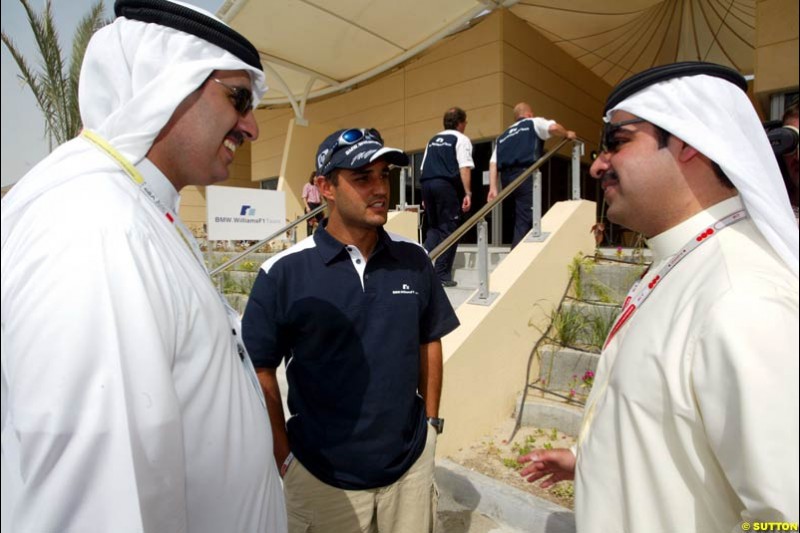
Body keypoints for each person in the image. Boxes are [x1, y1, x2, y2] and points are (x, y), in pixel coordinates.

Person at [0, 1, 287, 532]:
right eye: (238, 98)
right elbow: (102, 506)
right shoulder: (98, 226)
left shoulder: (142, 210)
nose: (252, 128)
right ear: (165, 82)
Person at [518, 62, 799, 532]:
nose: (597, 164)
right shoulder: (683, 261)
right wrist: (594, 461)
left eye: (617, 142)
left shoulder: (743, 298)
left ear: (689, 141)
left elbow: (784, 519)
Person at [242, 127, 460, 532]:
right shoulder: (283, 273)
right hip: (323, 483)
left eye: (384, 176)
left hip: (408, 473)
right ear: (325, 187)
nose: (380, 189)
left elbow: (429, 338)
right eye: (362, 178)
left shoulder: (414, 259)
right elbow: (259, 369)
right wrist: (284, 458)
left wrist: (431, 426)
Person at [487, 102, 576, 247]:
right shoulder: (533, 122)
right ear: (529, 114)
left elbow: (493, 163)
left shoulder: (503, 136)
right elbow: (553, 128)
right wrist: (567, 134)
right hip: (524, 175)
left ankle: (524, 250)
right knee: (526, 219)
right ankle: (516, 259)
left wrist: (492, 188)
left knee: (518, 218)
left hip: (506, 180)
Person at [420, 106, 474, 286]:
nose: (465, 125)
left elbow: (423, 167)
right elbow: (464, 167)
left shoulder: (433, 140)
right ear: (460, 123)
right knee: (451, 229)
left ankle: (420, 263)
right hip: (445, 186)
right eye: (465, 122)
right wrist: (467, 193)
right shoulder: (461, 139)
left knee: (435, 228)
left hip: (427, 184)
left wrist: (424, 195)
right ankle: (441, 275)